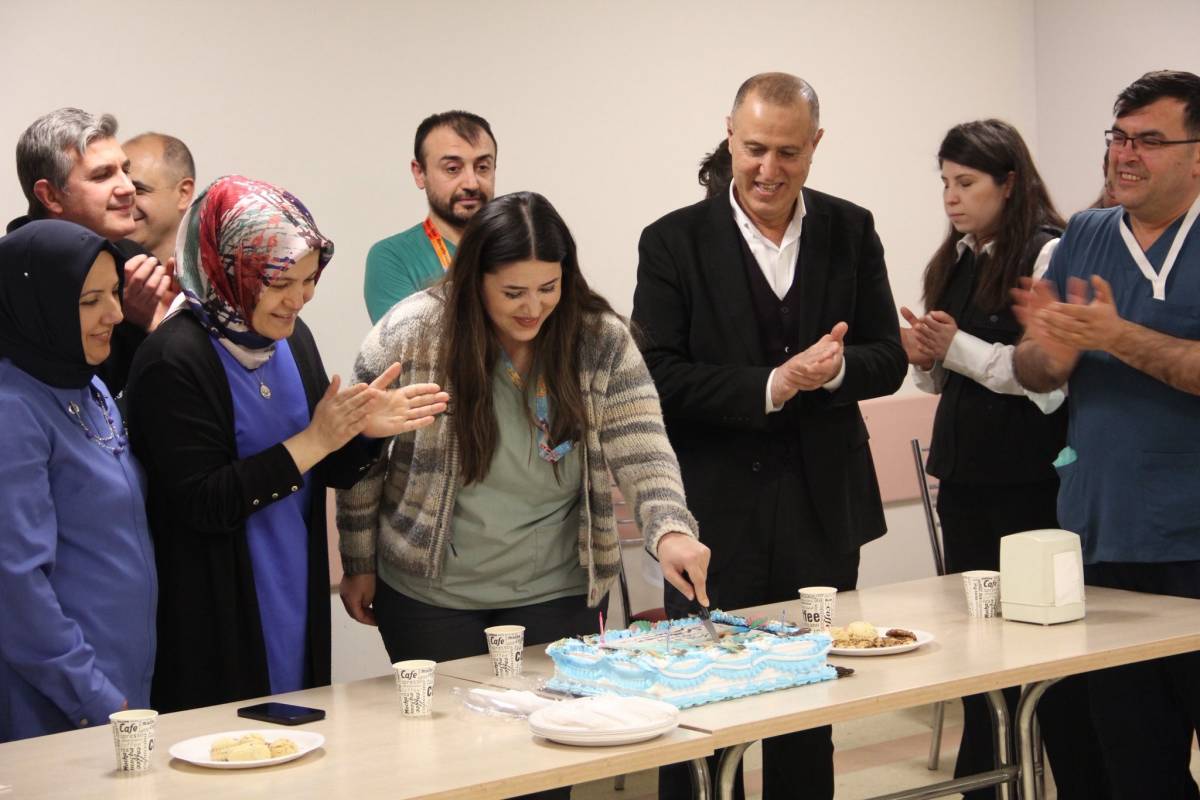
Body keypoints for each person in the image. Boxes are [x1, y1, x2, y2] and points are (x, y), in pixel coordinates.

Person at [632, 72, 906, 800]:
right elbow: (658, 376)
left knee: (809, 709)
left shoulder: (852, 229)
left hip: (824, 510)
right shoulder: (671, 242)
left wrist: (837, 369)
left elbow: (889, 357)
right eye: (755, 149)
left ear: (816, 145)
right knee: (699, 711)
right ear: (729, 137)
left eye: (788, 152)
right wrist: (774, 384)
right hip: (711, 519)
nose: (768, 169)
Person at [338, 190, 710, 665]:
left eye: (548, 288)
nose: (533, 307)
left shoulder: (598, 339)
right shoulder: (413, 332)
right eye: (513, 293)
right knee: (447, 715)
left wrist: (670, 530)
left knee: (552, 707)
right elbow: (361, 458)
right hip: (430, 595)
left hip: (556, 589)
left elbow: (644, 449)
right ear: (474, 280)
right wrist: (358, 562)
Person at [126, 175, 447, 713]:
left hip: (294, 583)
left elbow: (326, 466)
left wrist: (362, 432)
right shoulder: (173, 358)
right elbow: (202, 502)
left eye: (309, 280)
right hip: (216, 604)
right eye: (280, 284)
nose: (299, 299)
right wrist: (317, 439)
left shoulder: (291, 338)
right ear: (230, 272)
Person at [900, 119, 1108, 800]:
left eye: (966, 183)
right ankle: (987, 784)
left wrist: (956, 348)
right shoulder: (956, 259)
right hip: (964, 479)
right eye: (945, 183)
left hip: (1030, 483)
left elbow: (1044, 384)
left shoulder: (1049, 252)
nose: (951, 198)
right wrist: (925, 356)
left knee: (1052, 665)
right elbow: (943, 380)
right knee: (978, 657)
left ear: (1009, 182)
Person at [1014, 69, 1200, 800]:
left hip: (1193, 540)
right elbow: (1035, 369)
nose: (1125, 155)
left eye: (1149, 140)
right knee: (1134, 760)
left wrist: (1116, 335)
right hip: (1103, 538)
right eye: (1118, 137)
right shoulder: (1084, 236)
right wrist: (1050, 355)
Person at [0, 220, 156, 741]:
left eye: (114, 293)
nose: (116, 314)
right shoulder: (12, 410)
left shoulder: (90, 386)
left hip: (121, 680)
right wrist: (93, 696)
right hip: (59, 697)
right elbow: (14, 584)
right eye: (90, 301)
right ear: (37, 306)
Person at [11, 108, 175, 394]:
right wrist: (129, 322)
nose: (128, 188)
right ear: (50, 196)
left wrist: (172, 324)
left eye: (125, 171)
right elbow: (70, 395)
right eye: (102, 176)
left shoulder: (133, 257)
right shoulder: (16, 281)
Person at [363, 110, 497, 322]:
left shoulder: (521, 246)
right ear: (419, 173)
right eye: (452, 169)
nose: (471, 183)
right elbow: (409, 341)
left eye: (482, 167)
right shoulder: (393, 257)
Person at [123, 132, 196, 264]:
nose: (119, 202)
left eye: (138, 190)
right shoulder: (92, 268)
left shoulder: (216, 272)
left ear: (183, 194)